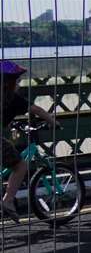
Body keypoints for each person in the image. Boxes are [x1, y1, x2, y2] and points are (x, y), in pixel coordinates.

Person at [2, 60, 59, 219]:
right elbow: (37, 109)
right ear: (9, 82)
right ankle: (7, 201)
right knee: (20, 165)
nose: (19, 83)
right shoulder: (13, 99)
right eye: (17, 80)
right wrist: (53, 121)